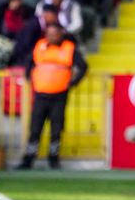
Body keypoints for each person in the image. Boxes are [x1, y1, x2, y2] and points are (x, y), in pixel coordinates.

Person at [16, 22, 88, 169]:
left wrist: (73, 83)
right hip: (41, 95)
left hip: (59, 96)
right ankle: (29, 158)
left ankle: (53, 159)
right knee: (35, 128)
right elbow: (29, 63)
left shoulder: (69, 48)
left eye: (54, 34)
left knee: (56, 129)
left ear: (61, 33)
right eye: (49, 34)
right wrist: (31, 80)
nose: (51, 37)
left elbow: (83, 66)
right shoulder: (40, 46)